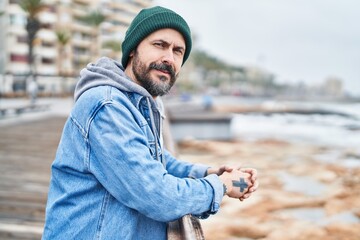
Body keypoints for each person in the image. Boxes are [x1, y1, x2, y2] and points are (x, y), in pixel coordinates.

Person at [42, 6, 259, 240]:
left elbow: (157, 159)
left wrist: (209, 171)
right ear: (133, 50)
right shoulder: (108, 106)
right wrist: (222, 185)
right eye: (159, 45)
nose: (168, 58)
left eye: (178, 51)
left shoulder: (141, 102)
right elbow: (158, 197)